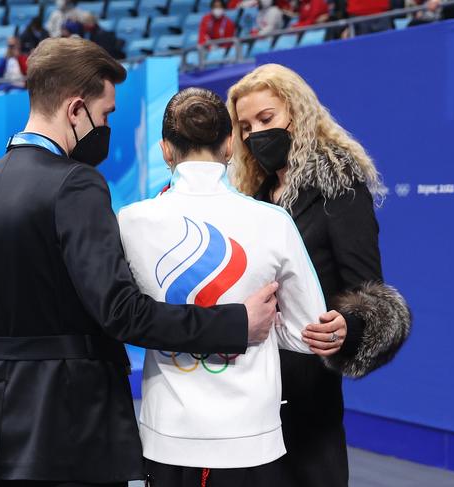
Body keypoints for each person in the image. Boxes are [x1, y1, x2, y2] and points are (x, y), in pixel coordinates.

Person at [0, 37, 277, 487]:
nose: (106, 126)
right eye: (104, 114)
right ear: (74, 110)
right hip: (71, 436)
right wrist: (235, 324)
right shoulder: (76, 183)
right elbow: (121, 312)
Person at [118, 87, 330, 487]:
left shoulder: (130, 221)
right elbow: (309, 331)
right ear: (230, 145)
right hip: (250, 435)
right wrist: (263, 327)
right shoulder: (273, 221)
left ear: (166, 151)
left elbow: (123, 316)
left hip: (167, 434)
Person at [228, 63, 411, 487]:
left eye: (266, 118)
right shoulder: (250, 199)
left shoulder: (338, 187)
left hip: (308, 387)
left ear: (297, 112)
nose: (256, 133)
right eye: (246, 126)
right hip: (250, 382)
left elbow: (372, 293)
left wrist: (346, 324)